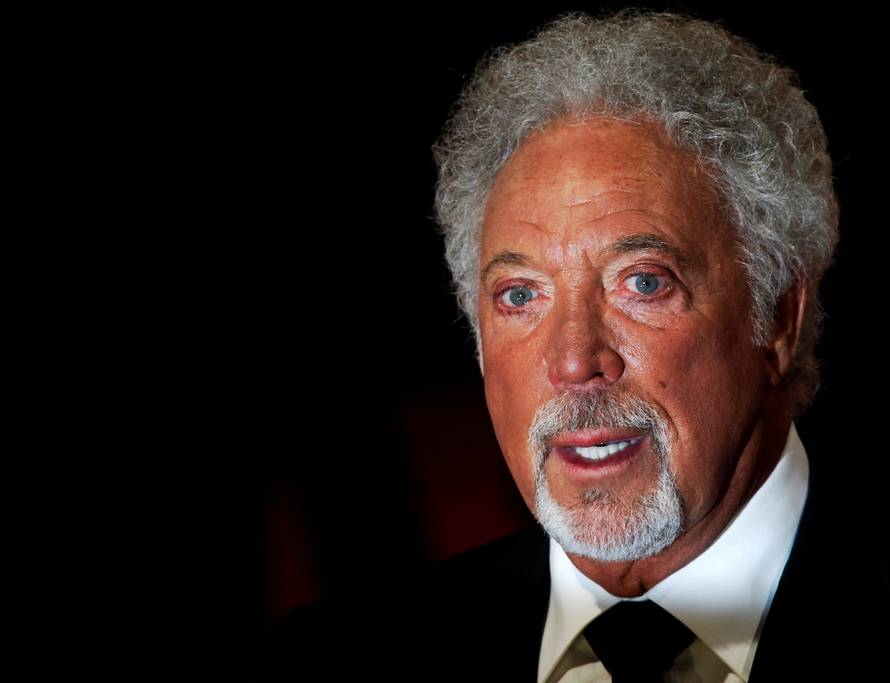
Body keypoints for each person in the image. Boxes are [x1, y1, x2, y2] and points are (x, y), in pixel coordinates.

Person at [268, 10, 886, 681]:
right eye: (520, 295)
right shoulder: (333, 659)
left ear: (778, 319)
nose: (572, 360)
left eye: (642, 282)